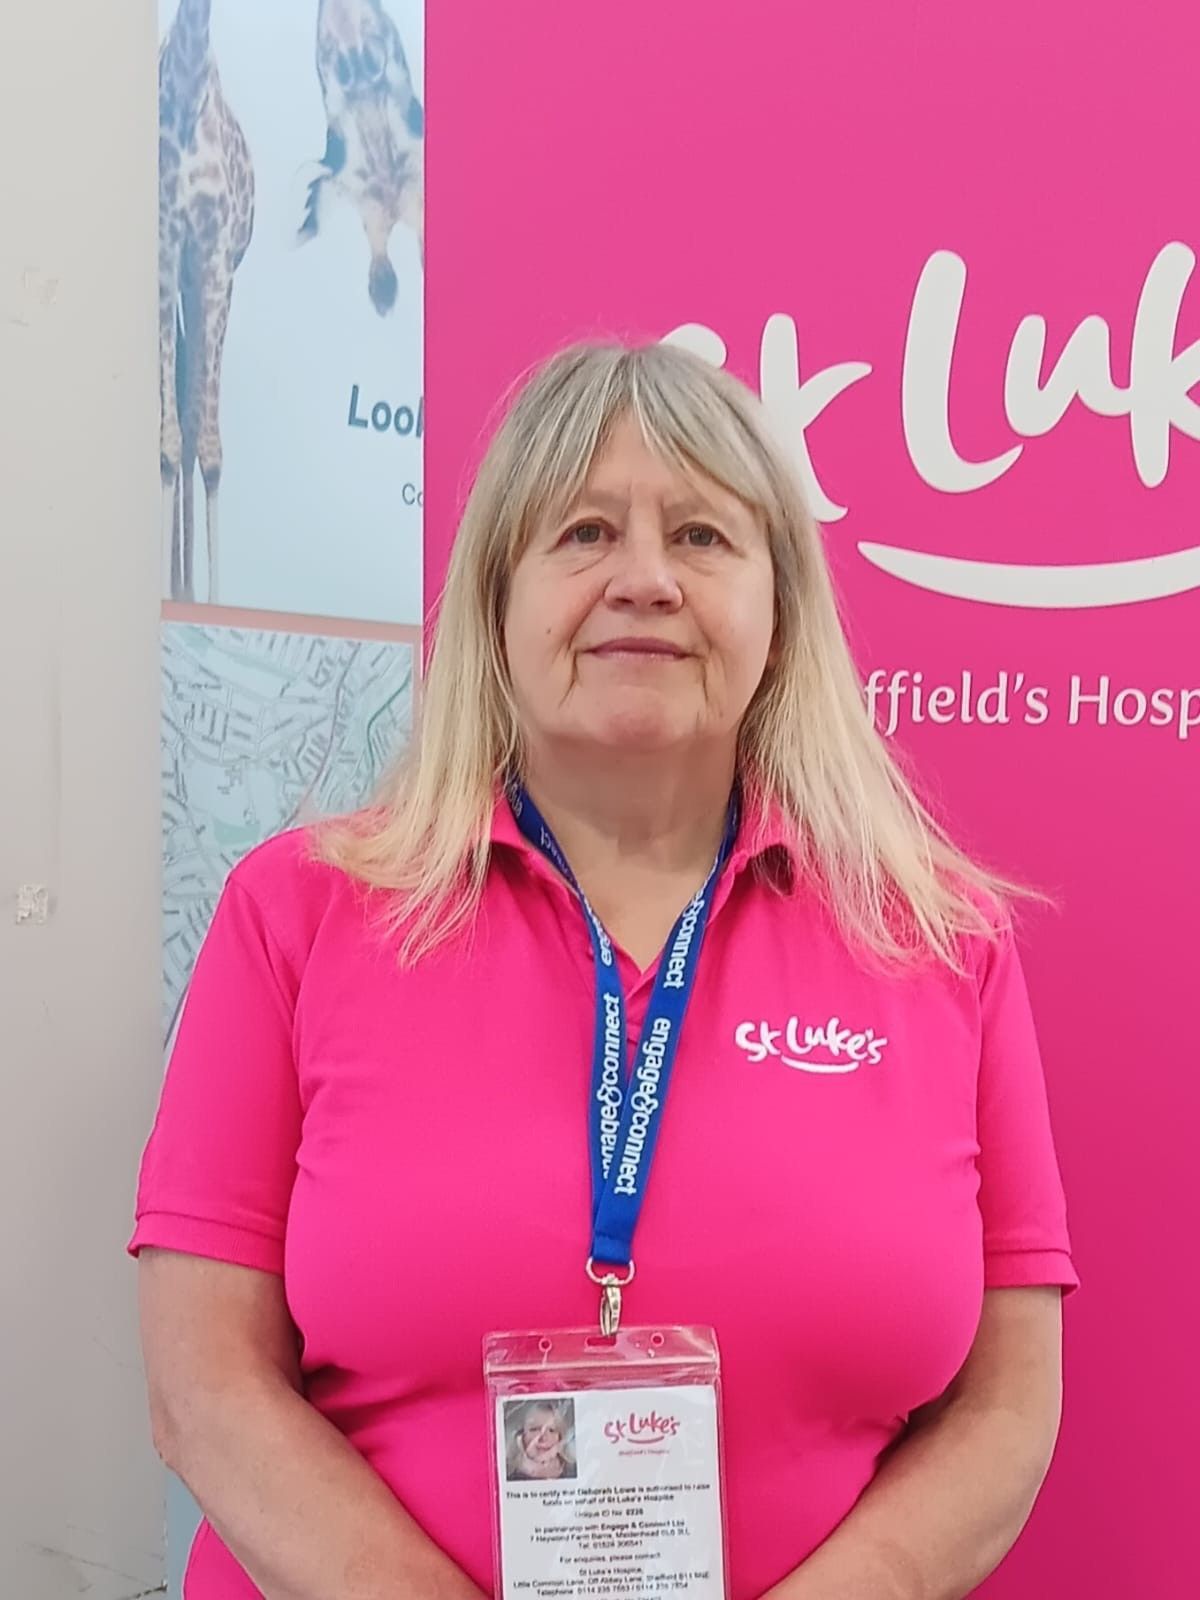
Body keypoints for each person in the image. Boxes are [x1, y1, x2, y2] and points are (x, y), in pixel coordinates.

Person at [131, 339, 1078, 1600]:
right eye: (582, 532)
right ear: (495, 602)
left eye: (701, 536)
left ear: (780, 604)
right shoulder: (299, 914)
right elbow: (205, 1383)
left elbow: (1010, 1402)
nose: (645, 579)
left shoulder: (938, 936)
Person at [505, 1401, 575, 1482]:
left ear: (560, 1437)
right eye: (534, 1429)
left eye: (551, 1430)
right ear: (521, 1435)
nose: (543, 1438)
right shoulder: (506, 1474)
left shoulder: (573, 1472)